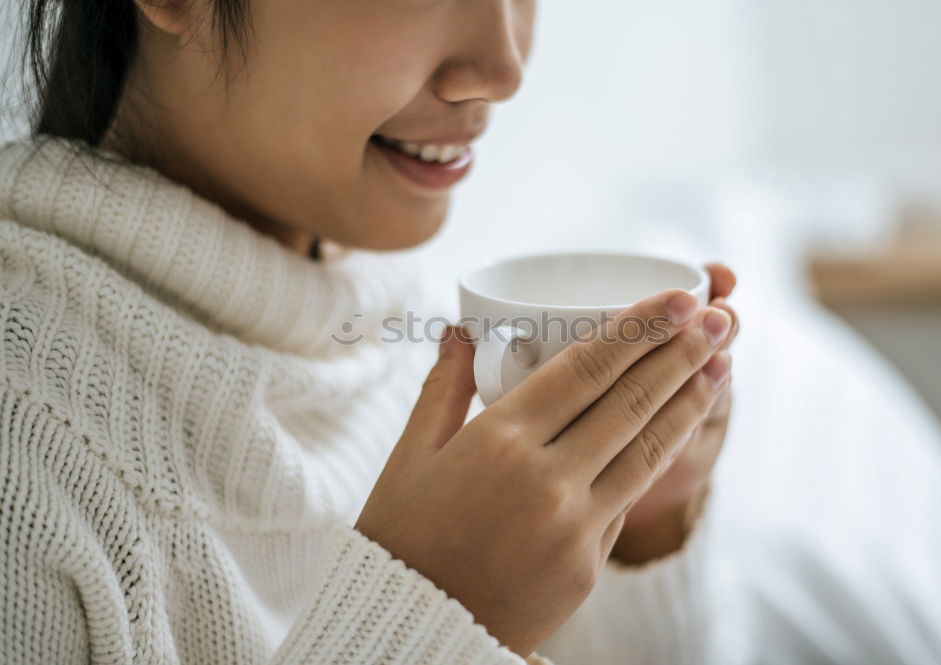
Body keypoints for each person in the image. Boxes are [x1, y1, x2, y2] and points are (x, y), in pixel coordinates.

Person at [0, 2, 741, 663]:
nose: (503, 69)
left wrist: (638, 519)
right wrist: (435, 615)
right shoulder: (24, 454)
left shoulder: (392, 325)